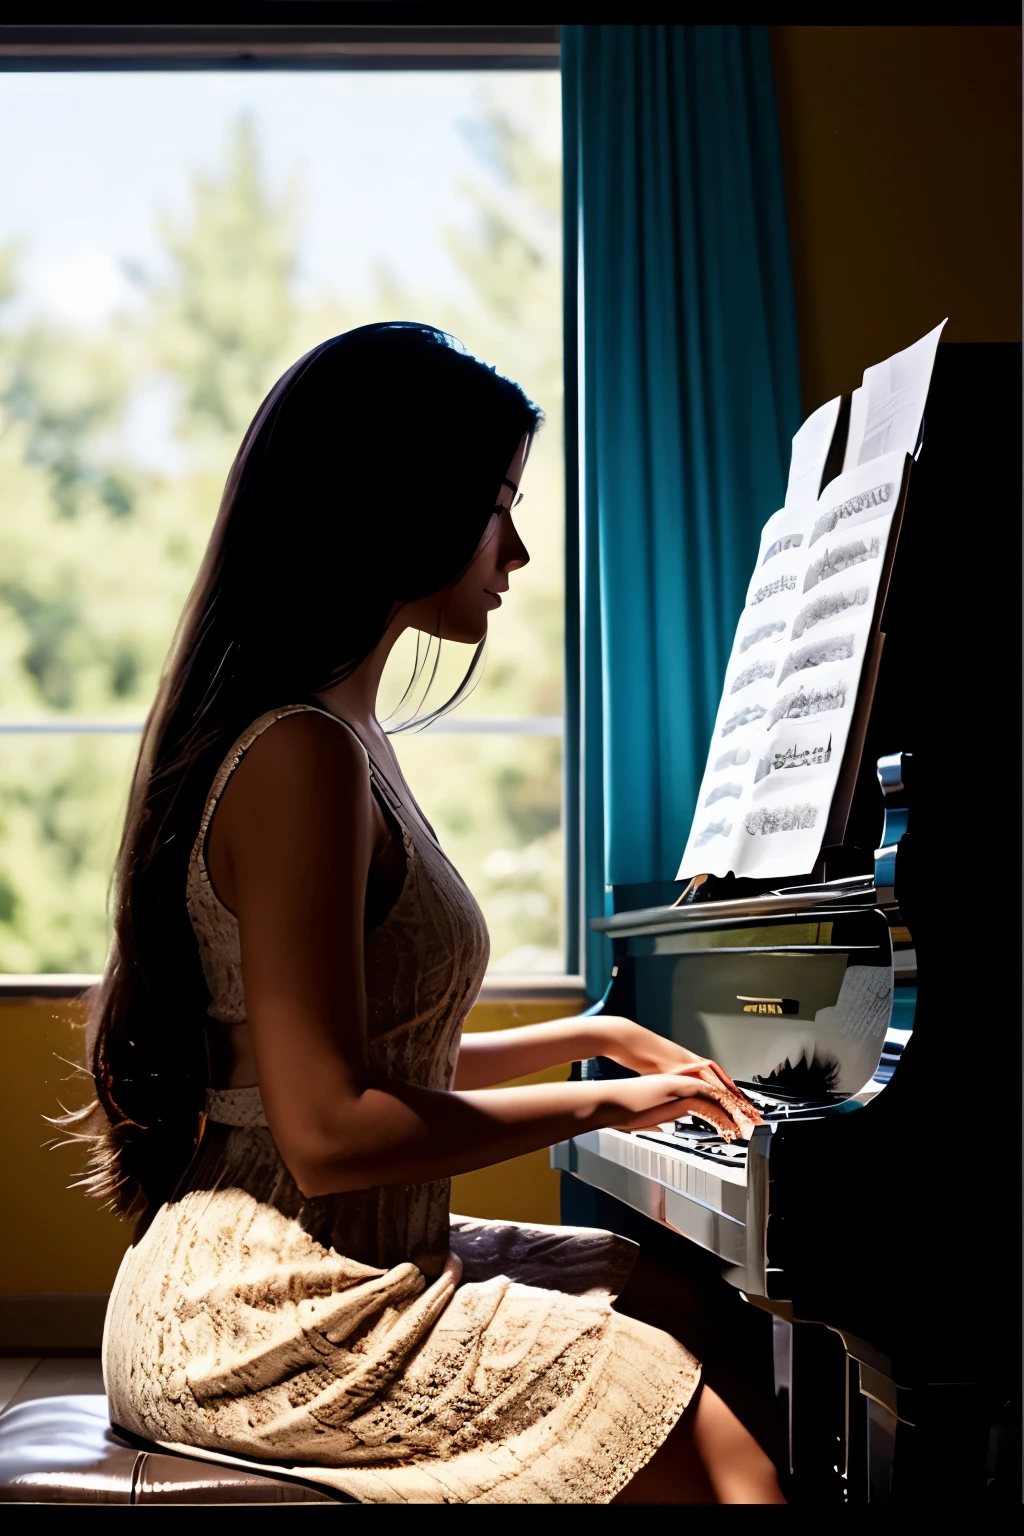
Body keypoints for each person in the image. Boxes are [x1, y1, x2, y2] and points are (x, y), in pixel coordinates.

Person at [73, 323, 784, 1504]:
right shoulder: (301, 754)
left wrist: (585, 1038)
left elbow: (362, 1056)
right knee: (732, 1468)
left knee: (671, 1295)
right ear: (398, 505)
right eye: (494, 504)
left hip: (344, 1263)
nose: (515, 547)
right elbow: (331, 1129)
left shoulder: (346, 740)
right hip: (265, 1312)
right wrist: (606, 1100)